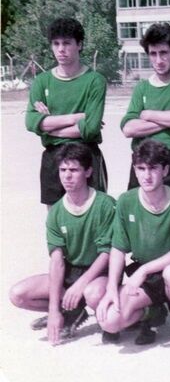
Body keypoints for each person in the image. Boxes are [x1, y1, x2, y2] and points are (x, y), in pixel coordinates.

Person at [96, 139, 170, 357]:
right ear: (135, 171)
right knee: (109, 322)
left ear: (165, 170)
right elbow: (118, 248)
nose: (147, 175)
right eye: (141, 168)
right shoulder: (126, 201)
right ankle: (152, 312)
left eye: (153, 168)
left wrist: (144, 270)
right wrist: (112, 288)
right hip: (145, 277)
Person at [9, 143, 115, 345]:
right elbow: (57, 260)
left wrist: (81, 285)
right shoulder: (56, 211)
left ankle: (102, 316)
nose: (67, 176)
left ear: (88, 172)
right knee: (18, 295)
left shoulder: (105, 204)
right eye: (63, 170)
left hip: (99, 273)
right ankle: (70, 312)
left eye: (74, 170)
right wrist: (53, 311)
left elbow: (107, 253)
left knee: (93, 294)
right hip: (71, 271)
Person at [120, 23, 170, 254]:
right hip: (145, 163)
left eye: (164, 53)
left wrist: (147, 114)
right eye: (153, 54)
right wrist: (168, 119)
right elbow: (128, 128)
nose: (158, 60)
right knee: (147, 230)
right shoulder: (142, 88)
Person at [25, 17, 108, 207]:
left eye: (67, 43)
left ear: (79, 45)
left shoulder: (95, 80)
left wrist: (48, 126)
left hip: (85, 154)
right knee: (55, 215)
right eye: (56, 44)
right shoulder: (42, 82)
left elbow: (91, 128)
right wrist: (75, 118)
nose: (61, 49)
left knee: (92, 213)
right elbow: (30, 122)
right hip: (53, 156)